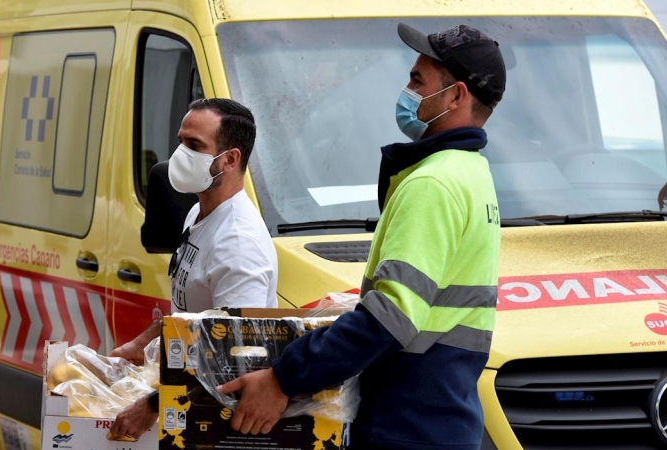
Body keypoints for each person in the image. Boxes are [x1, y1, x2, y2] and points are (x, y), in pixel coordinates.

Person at [217, 23, 506, 450]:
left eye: (417, 80)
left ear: (456, 96)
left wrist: (282, 378)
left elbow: (388, 320)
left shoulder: (433, 184)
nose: (406, 89)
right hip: (444, 416)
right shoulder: (472, 173)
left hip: (408, 426)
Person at [108, 98, 279, 441]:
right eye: (180, 142)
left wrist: (151, 406)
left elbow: (231, 359)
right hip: (189, 404)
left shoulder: (238, 244)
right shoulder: (199, 213)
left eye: (194, 146)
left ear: (230, 159)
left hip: (219, 422)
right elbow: (193, 313)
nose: (180, 154)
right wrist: (141, 344)